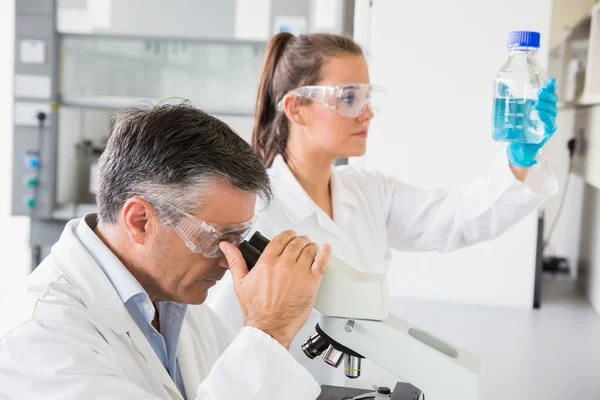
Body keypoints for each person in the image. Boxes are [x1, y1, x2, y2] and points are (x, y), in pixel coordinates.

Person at [208, 33, 560, 386]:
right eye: (348, 97)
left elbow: (460, 220)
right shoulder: (256, 214)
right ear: (296, 108)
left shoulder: (368, 191)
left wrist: (519, 162)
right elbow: (217, 344)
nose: (367, 112)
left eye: (367, 96)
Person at [0, 103, 333, 399]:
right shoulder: (42, 337)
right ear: (141, 220)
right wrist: (268, 330)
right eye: (218, 236)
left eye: (240, 236)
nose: (229, 260)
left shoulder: (173, 300)